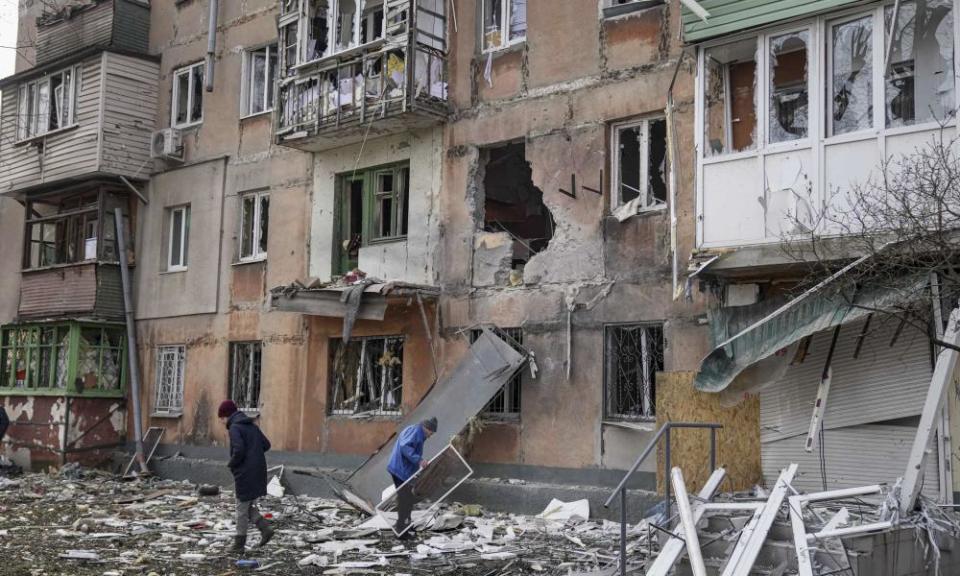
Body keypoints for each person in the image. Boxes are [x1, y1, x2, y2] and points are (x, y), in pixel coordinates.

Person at [218, 400, 275, 555]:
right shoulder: (252, 426)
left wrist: (232, 464)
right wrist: (254, 452)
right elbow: (266, 445)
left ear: (226, 416)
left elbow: (239, 450)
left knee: (241, 508)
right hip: (258, 471)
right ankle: (266, 529)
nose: (222, 422)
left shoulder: (235, 428)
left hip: (245, 473)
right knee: (247, 505)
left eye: (222, 418)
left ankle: (239, 544)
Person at [386, 417, 437, 538]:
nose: (431, 436)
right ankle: (401, 531)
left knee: (406, 499)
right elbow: (405, 447)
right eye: (431, 432)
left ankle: (403, 525)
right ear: (427, 428)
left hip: (401, 470)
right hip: (399, 470)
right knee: (405, 500)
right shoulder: (415, 431)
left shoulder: (416, 431)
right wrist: (419, 460)